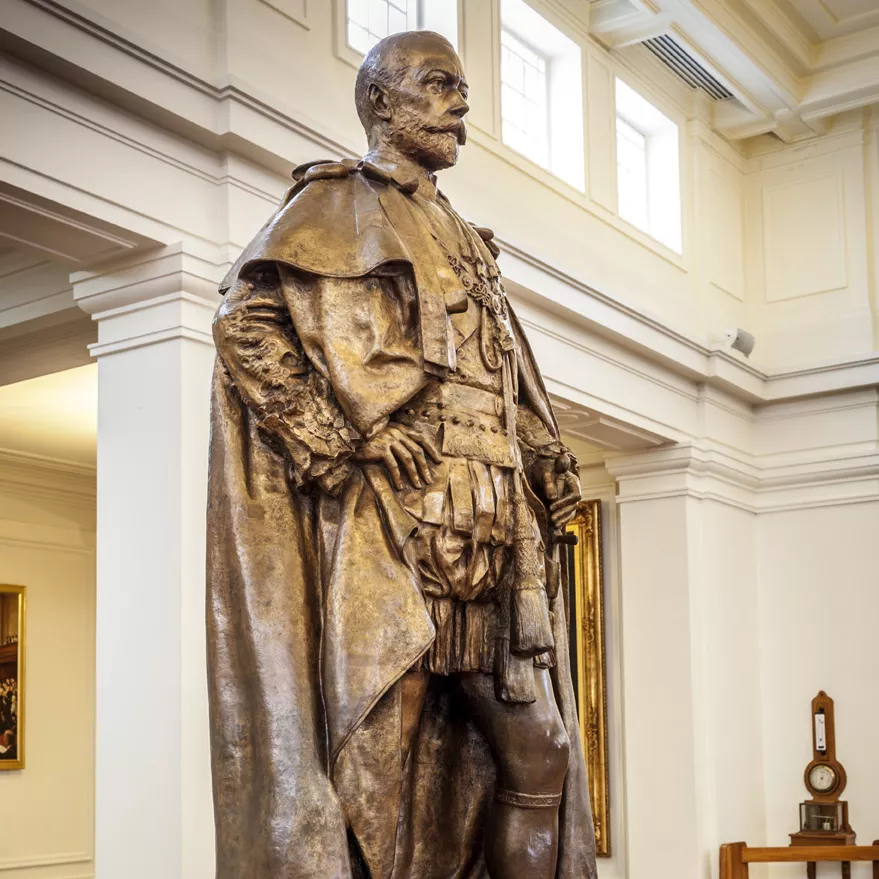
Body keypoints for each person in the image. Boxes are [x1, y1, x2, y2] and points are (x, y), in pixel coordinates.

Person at [207, 30, 597, 879]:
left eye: (461, 88)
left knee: (540, 753)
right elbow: (245, 324)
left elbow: (497, 376)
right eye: (438, 84)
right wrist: (349, 434)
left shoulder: (466, 236)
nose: (461, 103)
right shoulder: (333, 204)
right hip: (396, 524)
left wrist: (540, 457)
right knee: (376, 764)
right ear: (382, 102)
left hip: (493, 529)